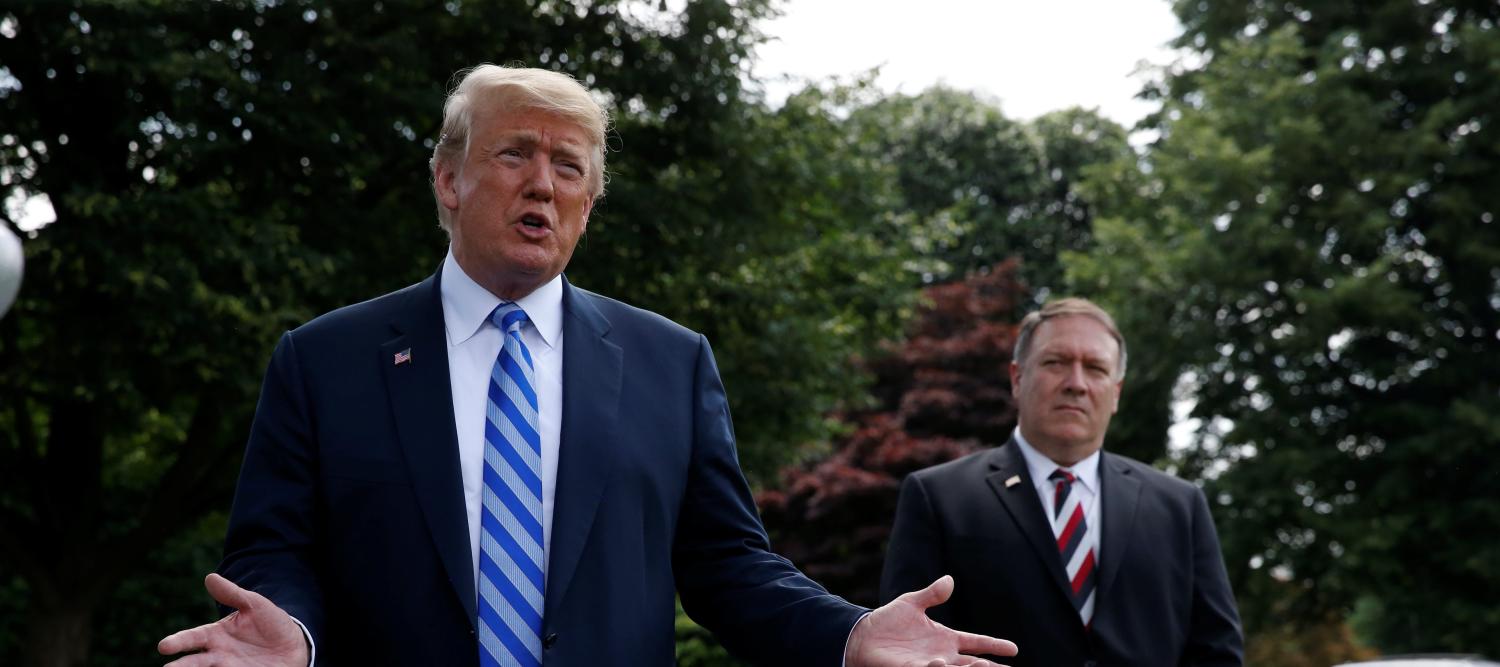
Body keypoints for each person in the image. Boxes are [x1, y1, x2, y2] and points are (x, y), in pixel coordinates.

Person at [157, 65, 1017, 667]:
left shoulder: (670, 363)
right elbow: (274, 551)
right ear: (448, 180)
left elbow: (727, 565)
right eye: (514, 153)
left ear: (589, 202)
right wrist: (296, 640)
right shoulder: (324, 358)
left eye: (569, 165)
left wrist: (846, 633)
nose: (543, 184)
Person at [880, 298, 1244, 667]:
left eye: (1096, 368)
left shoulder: (1180, 506)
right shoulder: (940, 498)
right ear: (1017, 378)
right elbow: (909, 648)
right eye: (1056, 363)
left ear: (1115, 392)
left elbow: (1217, 652)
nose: (1076, 384)